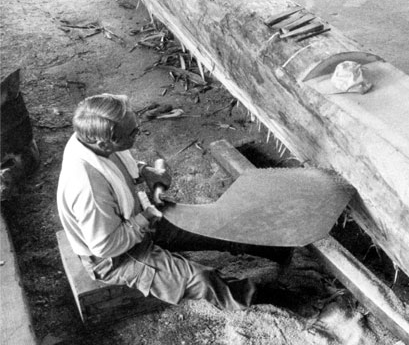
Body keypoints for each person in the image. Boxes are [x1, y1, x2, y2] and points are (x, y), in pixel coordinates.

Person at [57, 93, 293, 311]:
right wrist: (147, 217)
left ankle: (278, 249)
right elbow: (105, 245)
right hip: (114, 257)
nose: (138, 135)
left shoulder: (92, 139)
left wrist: (145, 171)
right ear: (105, 143)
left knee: (214, 223)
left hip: (134, 221)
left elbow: (117, 167)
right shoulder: (87, 186)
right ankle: (278, 298)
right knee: (201, 280)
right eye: (132, 134)